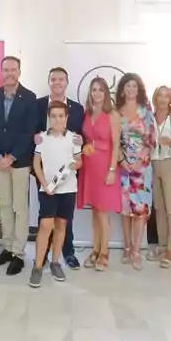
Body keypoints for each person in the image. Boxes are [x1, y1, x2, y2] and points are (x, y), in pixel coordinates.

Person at [0, 56, 38, 277]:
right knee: (4, 205)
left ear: (19, 71)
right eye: (6, 70)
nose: (9, 73)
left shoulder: (29, 97)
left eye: (13, 69)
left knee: (20, 207)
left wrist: (12, 157)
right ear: (1, 71)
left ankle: (18, 253)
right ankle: (7, 248)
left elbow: (29, 131)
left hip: (20, 162)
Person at [34, 67, 85, 269]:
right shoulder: (37, 105)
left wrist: (82, 140)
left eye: (61, 79)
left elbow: (80, 136)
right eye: (53, 79)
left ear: (67, 82)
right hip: (44, 170)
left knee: (64, 219)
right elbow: (32, 131)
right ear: (49, 82)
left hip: (67, 174)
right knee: (45, 217)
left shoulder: (78, 109)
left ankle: (67, 252)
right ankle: (42, 254)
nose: (57, 82)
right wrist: (34, 137)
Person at [29, 101, 82, 288]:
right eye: (53, 116)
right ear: (48, 118)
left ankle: (55, 262)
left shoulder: (74, 138)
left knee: (61, 225)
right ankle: (37, 266)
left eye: (61, 116)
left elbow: (79, 161)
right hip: (48, 190)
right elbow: (36, 164)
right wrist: (44, 184)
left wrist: (77, 164)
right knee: (45, 225)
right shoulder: (42, 138)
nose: (57, 119)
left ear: (66, 118)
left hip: (68, 190)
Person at [80, 76, 121, 271]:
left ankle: (105, 252)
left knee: (103, 212)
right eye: (93, 89)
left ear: (106, 93)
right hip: (90, 165)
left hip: (106, 165)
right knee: (95, 211)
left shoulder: (112, 114)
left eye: (100, 90)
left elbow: (116, 145)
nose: (96, 93)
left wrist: (112, 170)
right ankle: (95, 249)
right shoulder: (87, 113)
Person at [116, 72, 156, 269]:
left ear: (139, 89)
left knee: (140, 211)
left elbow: (152, 140)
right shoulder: (116, 111)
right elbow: (113, 140)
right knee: (125, 211)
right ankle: (126, 247)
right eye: (127, 86)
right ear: (122, 90)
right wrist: (122, 161)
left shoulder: (146, 111)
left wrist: (140, 162)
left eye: (134, 86)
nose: (131, 89)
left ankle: (136, 251)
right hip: (122, 166)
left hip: (142, 167)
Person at [149, 85, 171, 268]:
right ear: (155, 98)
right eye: (159, 96)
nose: (163, 99)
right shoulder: (149, 119)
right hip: (152, 164)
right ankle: (162, 245)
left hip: (169, 163)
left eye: (166, 96)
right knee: (159, 207)